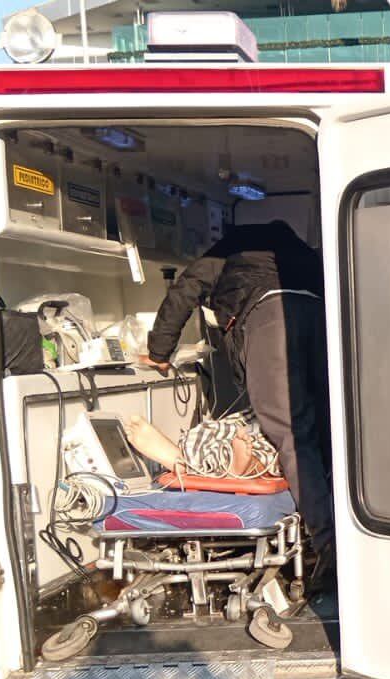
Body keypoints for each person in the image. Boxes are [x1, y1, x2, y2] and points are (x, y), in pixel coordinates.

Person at [139, 220, 336, 594]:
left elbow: (185, 289)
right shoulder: (299, 253)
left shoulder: (230, 250)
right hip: (322, 317)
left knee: (292, 432)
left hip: (270, 318)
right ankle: (341, 528)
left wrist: (159, 352)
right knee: (328, 425)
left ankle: (329, 548)